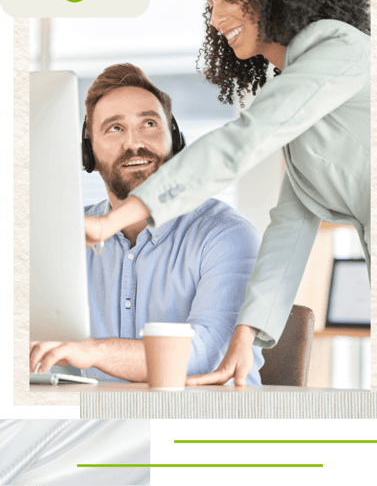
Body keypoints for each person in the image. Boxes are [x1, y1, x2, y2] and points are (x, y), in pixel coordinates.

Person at [84, 0, 371, 386]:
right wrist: (243, 340)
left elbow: (244, 139)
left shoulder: (341, 49)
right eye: (211, 3)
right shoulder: (302, 92)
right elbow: (291, 227)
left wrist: (109, 224)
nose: (216, 18)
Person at [29, 64, 264, 384]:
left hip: (203, 421)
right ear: (89, 153)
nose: (134, 143)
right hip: (101, 424)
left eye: (149, 123)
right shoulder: (61, 235)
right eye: (115, 128)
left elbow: (207, 356)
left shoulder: (225, 235)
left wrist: (94, 352)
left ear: (175, 139)